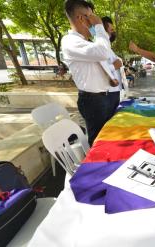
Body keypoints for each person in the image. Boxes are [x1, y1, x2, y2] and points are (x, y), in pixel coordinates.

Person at [62, 0, 122, 146]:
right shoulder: (70, 41)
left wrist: (111, 77)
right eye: (91, 16)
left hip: (103, 96)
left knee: (108, 137)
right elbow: (102, 52)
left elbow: (102, 61)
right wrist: (99, 26)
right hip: (93, 100)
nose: (94, 19)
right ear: (81, 18)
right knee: (99, 142)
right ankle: (99, 168)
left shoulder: (86, 42)